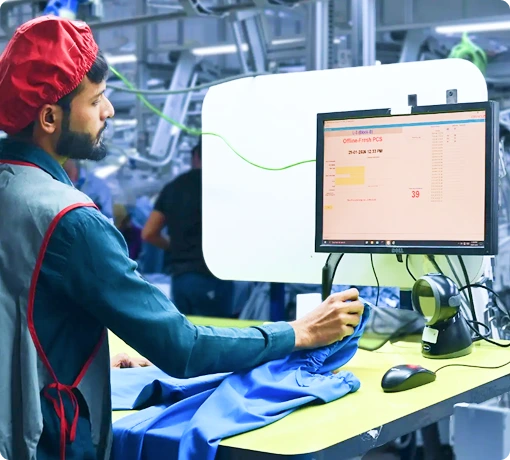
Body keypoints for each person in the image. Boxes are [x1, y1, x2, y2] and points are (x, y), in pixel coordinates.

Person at [0, 16, 364, 460]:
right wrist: (299, 332)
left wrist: (81, 354)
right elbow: (183, 349)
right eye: (95, 101)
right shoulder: (71, 220)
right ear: (50, 117)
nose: (108, 111)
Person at [142, 139, 234, 317]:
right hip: (212, 277)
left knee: (185, 332)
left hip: (181, 279)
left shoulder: (174, 187)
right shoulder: (224, 188)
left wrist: (176, 246)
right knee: (217, 332)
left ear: (195, 156)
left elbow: (149, 233)